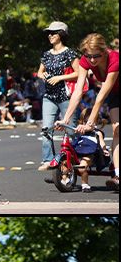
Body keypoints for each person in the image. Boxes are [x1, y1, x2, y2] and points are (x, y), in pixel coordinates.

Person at [61, 33, 119, 191]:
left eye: (96, 56)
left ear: (104, 51)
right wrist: (65, 119)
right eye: (88, 56)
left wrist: (90, 123)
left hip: (110, 91)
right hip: (115, 94)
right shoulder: (85, 61)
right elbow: (78, 91)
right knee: (116, 130)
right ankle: (118, 174)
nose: (92, 60)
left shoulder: (114, 59)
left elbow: (100, 97)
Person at [36, 21, 81, 170]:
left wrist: (59, 78)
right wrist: (44, 76)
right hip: (49, 96)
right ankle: (48, 160)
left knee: (70, 129)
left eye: (53, 33)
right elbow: (39, 71)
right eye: (48, 33)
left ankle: (77, 158)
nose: (50, 36)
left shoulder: (70, 53)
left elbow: (79, 73)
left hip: (67, 96)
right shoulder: (46, 54)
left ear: (61, 35)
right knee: (46, 128)